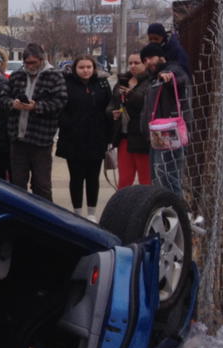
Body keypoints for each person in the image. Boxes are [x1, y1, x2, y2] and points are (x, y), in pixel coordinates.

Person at [2, 43, 67, 201]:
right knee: (17, 184)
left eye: (33, 62)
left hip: (41, 140)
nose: (30, 66)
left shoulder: (55, 76)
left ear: (42, 59)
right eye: (27, 63)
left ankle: (45, 214)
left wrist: (37, 106)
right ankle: (19, 213)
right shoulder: (16, 76)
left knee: (41, 185)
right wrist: (13, 104)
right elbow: (3, 97)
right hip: (18, 139)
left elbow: (61, 101)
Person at [54, 56, 112, 220]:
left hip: (96, 137)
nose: (85, 70)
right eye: (81, 67)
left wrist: (109, 135)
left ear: (94, 68)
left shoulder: (101, 84)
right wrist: (69, 123)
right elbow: (60, 109)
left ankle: (92, 213)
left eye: (88, 67)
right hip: (73, 139)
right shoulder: (66, 83)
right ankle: (77, 212)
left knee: (93, 177)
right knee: (76, 177)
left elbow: (109, 107)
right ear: (75, 69)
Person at [139, 41, 190, 196]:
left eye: (151, 57)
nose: (148, 62)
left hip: (170, 134)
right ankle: (166, 208)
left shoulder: (173, 69)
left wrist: (169, 76)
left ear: (161, 57)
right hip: (157, 136)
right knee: (159, 179)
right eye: (145, 60)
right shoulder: (152, 79)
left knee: (168, 178)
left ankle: (177, 209)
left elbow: (179, 79)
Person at [110, 51, 151, 187]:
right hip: (124, 136)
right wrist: (112, 112)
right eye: (130, 63)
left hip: (142, 138)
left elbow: (146, 104)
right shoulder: (122, 81)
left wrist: (130, 94)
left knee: (145, 180)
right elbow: (112, 103)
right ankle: (124, 200)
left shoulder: (150, 81)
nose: (133, 66)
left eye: (136, 63)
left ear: (145, 63)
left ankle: (146, 201)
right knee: (124, 180)